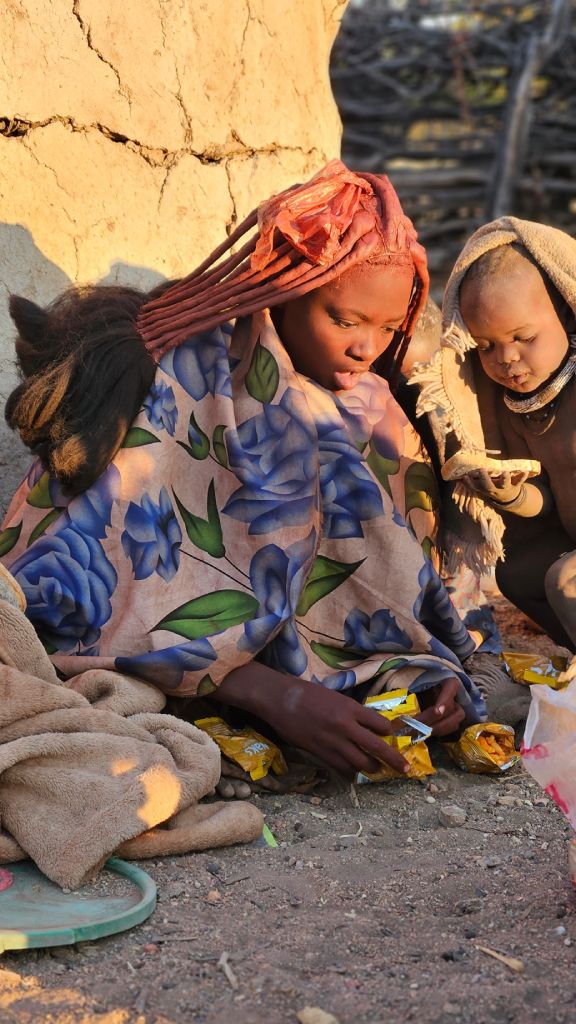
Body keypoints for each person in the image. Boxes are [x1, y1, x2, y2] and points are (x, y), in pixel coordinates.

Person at [0, 161, 486, 784]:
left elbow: (390, 593)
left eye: (388, 327)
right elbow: (99, 585)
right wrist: (271, 694)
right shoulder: (183, 385)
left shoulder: (373, 416)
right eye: (345, 319)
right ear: (285, 292)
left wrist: (425, 680)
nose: (367, 347)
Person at [413, 216, 576, 653]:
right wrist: (513, 495)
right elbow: (547, 495)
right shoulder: (512, 408)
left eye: (523, 337)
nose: (506, 358)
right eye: (485, 346)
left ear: (564, 309)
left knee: (566, 581)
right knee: (518, 570)